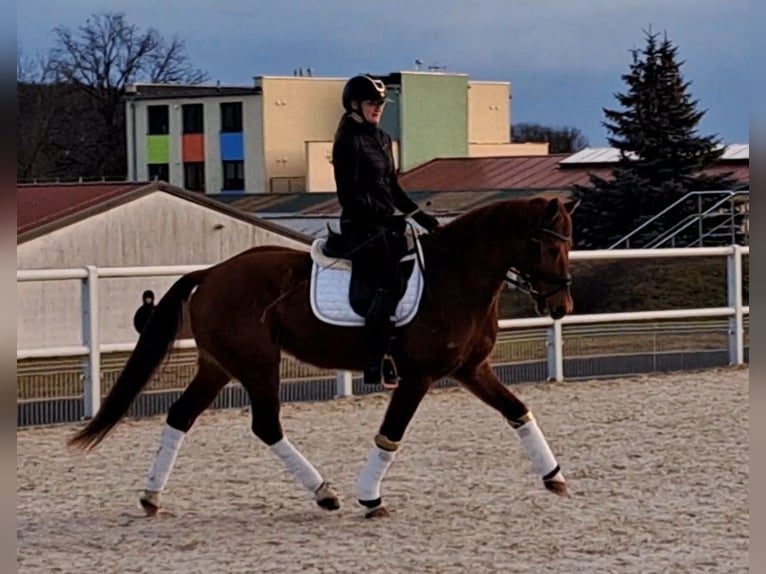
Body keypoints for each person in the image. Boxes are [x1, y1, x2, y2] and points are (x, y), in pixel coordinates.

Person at [332, 74, 440, 386]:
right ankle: (378, 359)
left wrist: (423, 218)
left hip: (384, 223)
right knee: (389, 279)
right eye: (371, 103)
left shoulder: (381, 138)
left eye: (380, 103)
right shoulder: (347, 142)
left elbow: (393, 187)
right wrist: (384, 215)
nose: (378, 108)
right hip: (359, 226)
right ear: (354, 106)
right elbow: (348, 196)